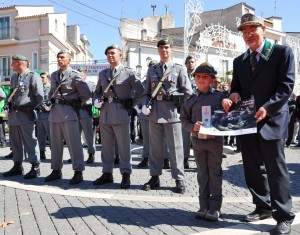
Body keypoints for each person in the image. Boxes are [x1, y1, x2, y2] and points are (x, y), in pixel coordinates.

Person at [222, 13, 295, 234]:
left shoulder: (282, 52)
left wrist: (268, 107)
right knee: (252, 168)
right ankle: (262, 207)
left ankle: (283, 215)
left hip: (271, 119)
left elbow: (286, 86)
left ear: (263, 28)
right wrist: (233, 95)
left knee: (276, 169)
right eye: (243, 31)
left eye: (252, 29)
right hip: (247, 121)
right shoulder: (239, 61)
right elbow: (237, 88)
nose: (247, 34)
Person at [141, 37, 193, 194]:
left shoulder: (179, 69)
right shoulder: (152, 70)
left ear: (172, 50)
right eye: (161, 47)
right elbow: (146, 93)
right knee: (155, 147)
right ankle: (155, 176)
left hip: (173, 113)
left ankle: (179, 179)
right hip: (155, 113)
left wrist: (178, 101)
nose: (164, 50)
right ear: (158, 50)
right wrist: (144, 105)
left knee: (176, 147)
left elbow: (188, 92)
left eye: (167, 47)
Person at [93, 44, 144, 189]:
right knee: (106, 147)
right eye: (108, 53)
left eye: (113, 53)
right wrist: (96, 100)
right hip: (105, 113)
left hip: (121, 112)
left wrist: (131, 104)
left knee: (123, 147)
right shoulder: (103, 74)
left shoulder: (129, 72)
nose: (110, 56)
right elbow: (97, 91)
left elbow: (140, 92)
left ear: (120, 55)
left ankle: (126, 174)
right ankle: (107, 173)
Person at [181, 62, 226, 221]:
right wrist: (193, 126)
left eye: (205, 77)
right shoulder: (191, 100)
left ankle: (214, 208)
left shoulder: (220, 97)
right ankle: (203, 205)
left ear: (212, 80)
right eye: (198, 77)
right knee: (202, 174)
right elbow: (183, 119)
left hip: (215, 142)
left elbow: (231, 113)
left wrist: (229, 102)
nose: (201, 80)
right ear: (194, 79)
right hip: (198, 142)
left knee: (214, 172)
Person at [44, 50, 91, 185]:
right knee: (55, 144)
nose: (60, 59)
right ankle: (56, 170)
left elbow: (86, 94)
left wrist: (75, 103)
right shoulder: (53, 75)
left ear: (69, 60)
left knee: (74, 143)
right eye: (58, 57)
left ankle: (78, 171)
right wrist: (49, 101)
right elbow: (52, 92)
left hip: (69, 112)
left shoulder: (75, 75)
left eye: (63, 57)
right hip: (54, 113)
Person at [3, 54, 43, 179]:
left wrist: (31, 108)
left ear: (20, 63)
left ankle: (35, 167)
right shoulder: (15, 77)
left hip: (26, 114)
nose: (11, 65)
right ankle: (17, 166)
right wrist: (7, 105)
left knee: (30, 140)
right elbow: (11, 93)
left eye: (13, 62)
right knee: (14, 142)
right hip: (14, 114)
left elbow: (39, 96)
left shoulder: (33, 76)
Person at [77, 67, 96, 163]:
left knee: (89, 135)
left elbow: (95, 99)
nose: (79, 76)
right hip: (76, 111)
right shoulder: (76, 84)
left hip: (86, 111)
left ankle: (91, 154)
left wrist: (96, 114)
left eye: (80, 74)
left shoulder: (91, 84)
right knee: (75, 135)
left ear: (85, 74)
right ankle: (76, 156)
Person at [182, 55, 197, 169]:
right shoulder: (182, 76)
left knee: (198, 135)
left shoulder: (200, 75)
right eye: (188, 62)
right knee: (185, 136)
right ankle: (185, 159)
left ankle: (199, 158)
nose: (190, 64)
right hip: (186, 109)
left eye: (192, 62)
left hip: (197, 109)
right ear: (186, 64)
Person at [36, 72, 51, 160]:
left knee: (51, 135)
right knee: (40, 135)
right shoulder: (39, 88)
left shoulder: (51, 88)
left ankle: (55, 153)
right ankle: (42, 152)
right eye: (40, 77)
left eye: (43, 77)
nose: (41, 79)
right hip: (39, 114)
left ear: (48, 78)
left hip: (48, 114)